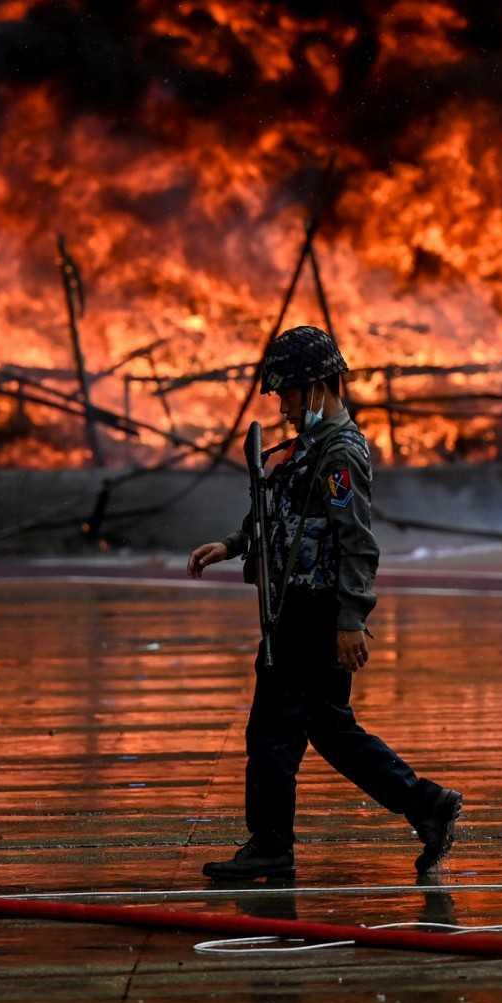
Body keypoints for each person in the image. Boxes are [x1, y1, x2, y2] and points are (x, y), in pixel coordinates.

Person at [188, 325, 462, 879]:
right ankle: (425, 805)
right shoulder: (306, 447)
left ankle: (271, 844)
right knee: (329, 730)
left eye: (289, 392)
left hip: (313, 612)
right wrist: (234, 545)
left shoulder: (339, 452)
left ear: (317, 386)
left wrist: (350, 619)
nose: (284, 406)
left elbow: (357, 541)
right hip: (295, 607)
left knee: (273, 730)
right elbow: (284, 517)